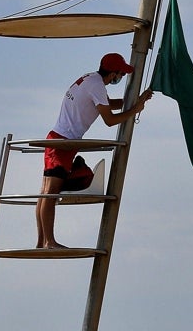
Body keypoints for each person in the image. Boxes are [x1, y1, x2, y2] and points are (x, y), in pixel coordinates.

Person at [36, 53, 153, 249]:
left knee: (46, 192)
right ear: (113, 73)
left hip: (59, 139)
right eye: (121, 74)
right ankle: (49, 241)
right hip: (63, 142)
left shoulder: (92, 79)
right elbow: (110, 120)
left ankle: (42, 242)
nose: (121, 78)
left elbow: (109, 104)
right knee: (50, 192)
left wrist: (136, 100)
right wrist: (135, 110)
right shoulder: (97, 86)